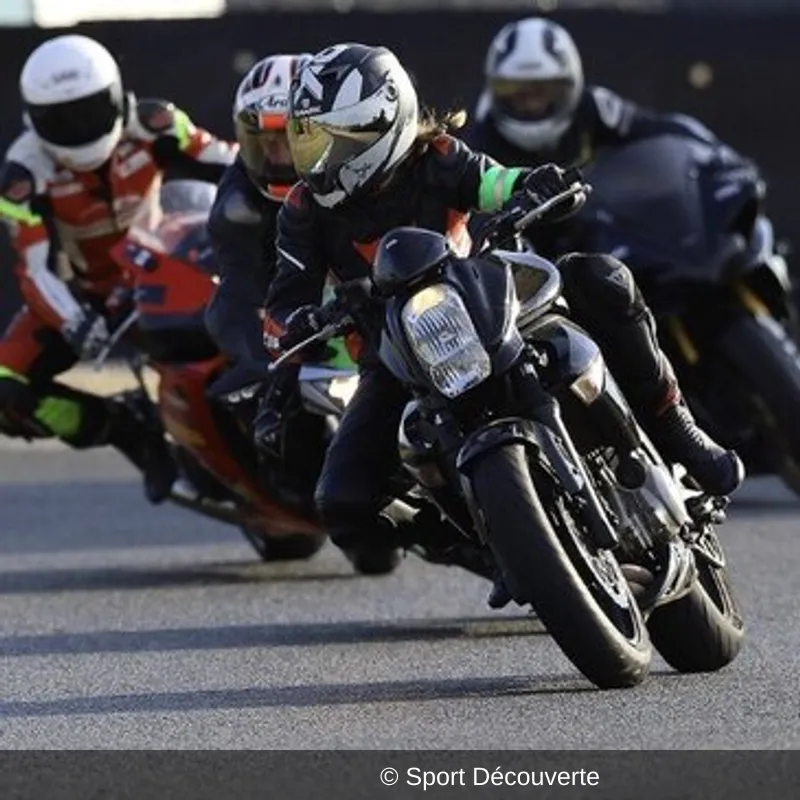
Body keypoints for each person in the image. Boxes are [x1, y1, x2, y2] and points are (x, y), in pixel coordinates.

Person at [262, 42, 744, 591]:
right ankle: (483, 544)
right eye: (310, 140)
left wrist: (534, 185)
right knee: (342, 499)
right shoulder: (302, 211)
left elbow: (493, 181)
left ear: (379, 124)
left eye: (332, 141)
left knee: (602, 278)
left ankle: (677, 429)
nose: (318, 159)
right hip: (392, 353)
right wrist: (294, 324)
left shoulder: (437, 157)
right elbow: (283, 299)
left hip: (485, 299)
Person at [0, 34, 236, 502]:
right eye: (61, 118)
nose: (79, 129)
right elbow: (32, 267)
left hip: (176, 267)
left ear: (115, 96)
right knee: (5, 387)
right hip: (95, 297)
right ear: (35, 118)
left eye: (88, 111)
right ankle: (128, 430)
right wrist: (73, 321)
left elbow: (232, 164)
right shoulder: (22, 174)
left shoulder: (157, 122)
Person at [463, 16, 746, 172]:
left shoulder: (596, 107)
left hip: (596, 237)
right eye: (517, 92)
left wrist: (719, 157)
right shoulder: (479, 139)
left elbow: (660, 128)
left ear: (571, 85)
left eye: (543, 90)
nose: (532, 104)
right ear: (494, 88)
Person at [205, 53, 312, 451]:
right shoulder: (238, 207)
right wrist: (266, 363)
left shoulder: (361, 173)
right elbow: (240, 288)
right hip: (292, 307)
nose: (280, 158)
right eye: (267, 143)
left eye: (293, 140)